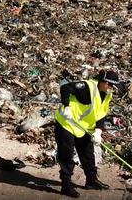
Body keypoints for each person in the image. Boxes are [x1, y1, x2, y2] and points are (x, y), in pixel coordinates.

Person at [54, 70, 119, 198]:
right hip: (67, 123)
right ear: (102, 82)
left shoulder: (107, 95)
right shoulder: (87, 87)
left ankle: (91, 181)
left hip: (83, 127)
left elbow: (101, 114)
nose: (111, 88)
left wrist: (98, 131)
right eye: (110, 85)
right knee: (66, 155)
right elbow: (65, 88)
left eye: (113, 86)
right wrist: (66, 106)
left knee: (88, 154)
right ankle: (66, 185)